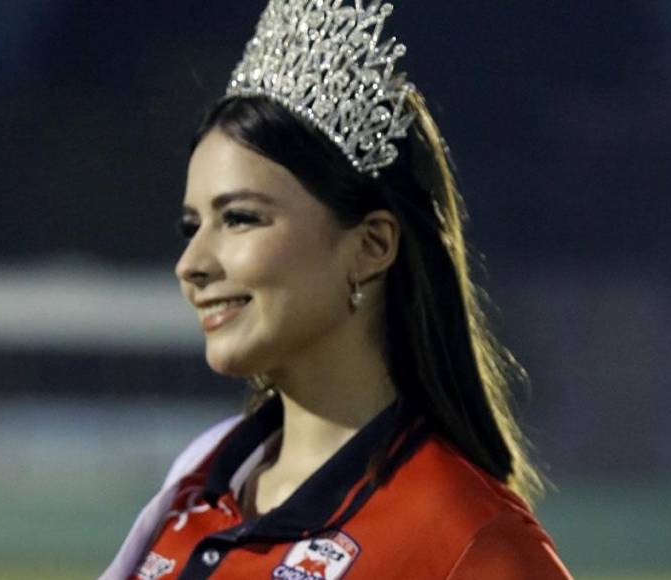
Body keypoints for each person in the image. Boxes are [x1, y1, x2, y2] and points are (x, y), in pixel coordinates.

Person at [102, 1, 572, 578]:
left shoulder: (468, 540)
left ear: (371, 246)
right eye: (191, 227)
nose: (191, 265)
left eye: (241, 218)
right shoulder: (197, 483)